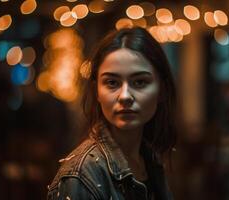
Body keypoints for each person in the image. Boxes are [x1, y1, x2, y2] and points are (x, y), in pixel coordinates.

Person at [47, 27, 178, 200]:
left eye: (140, 82)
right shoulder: (81, 176)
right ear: (97, 92)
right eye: (112, 82)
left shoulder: (150, 159)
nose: (125, 96)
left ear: (162, 90)